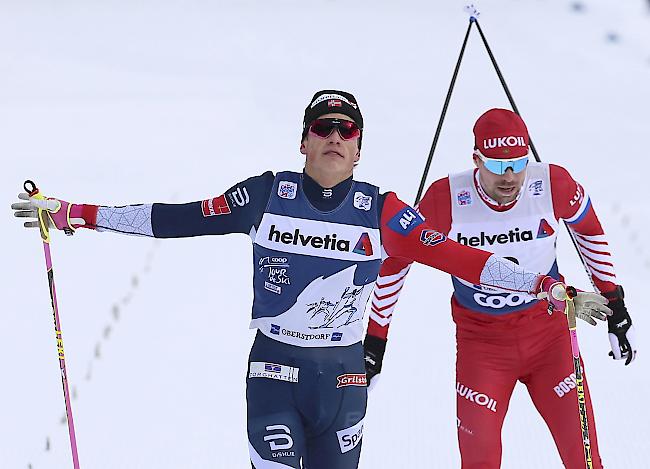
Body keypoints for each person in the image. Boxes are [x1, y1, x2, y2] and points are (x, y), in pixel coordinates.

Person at [12, 93, 610, 469]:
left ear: (358, 149)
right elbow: (176, 219)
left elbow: (458, 257)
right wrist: (80, 214)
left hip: (345, 377)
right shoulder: (267, 195)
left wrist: (549, 288)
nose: (333, 137)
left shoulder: (385, 210)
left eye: (345, 131)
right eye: (322, 128)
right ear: (303, 141)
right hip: (275, 369)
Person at [363, 108, 637, 468]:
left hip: (550, 336)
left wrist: (614, 303)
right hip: (483, 344)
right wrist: (376, 338)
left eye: (518, 163)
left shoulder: (551, 183)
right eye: (495, 165)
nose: (508, 177)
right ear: (476, 159)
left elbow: (588, 229)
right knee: (480, 460)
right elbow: (396, 260)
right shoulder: (446, 197)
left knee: (584, 458)